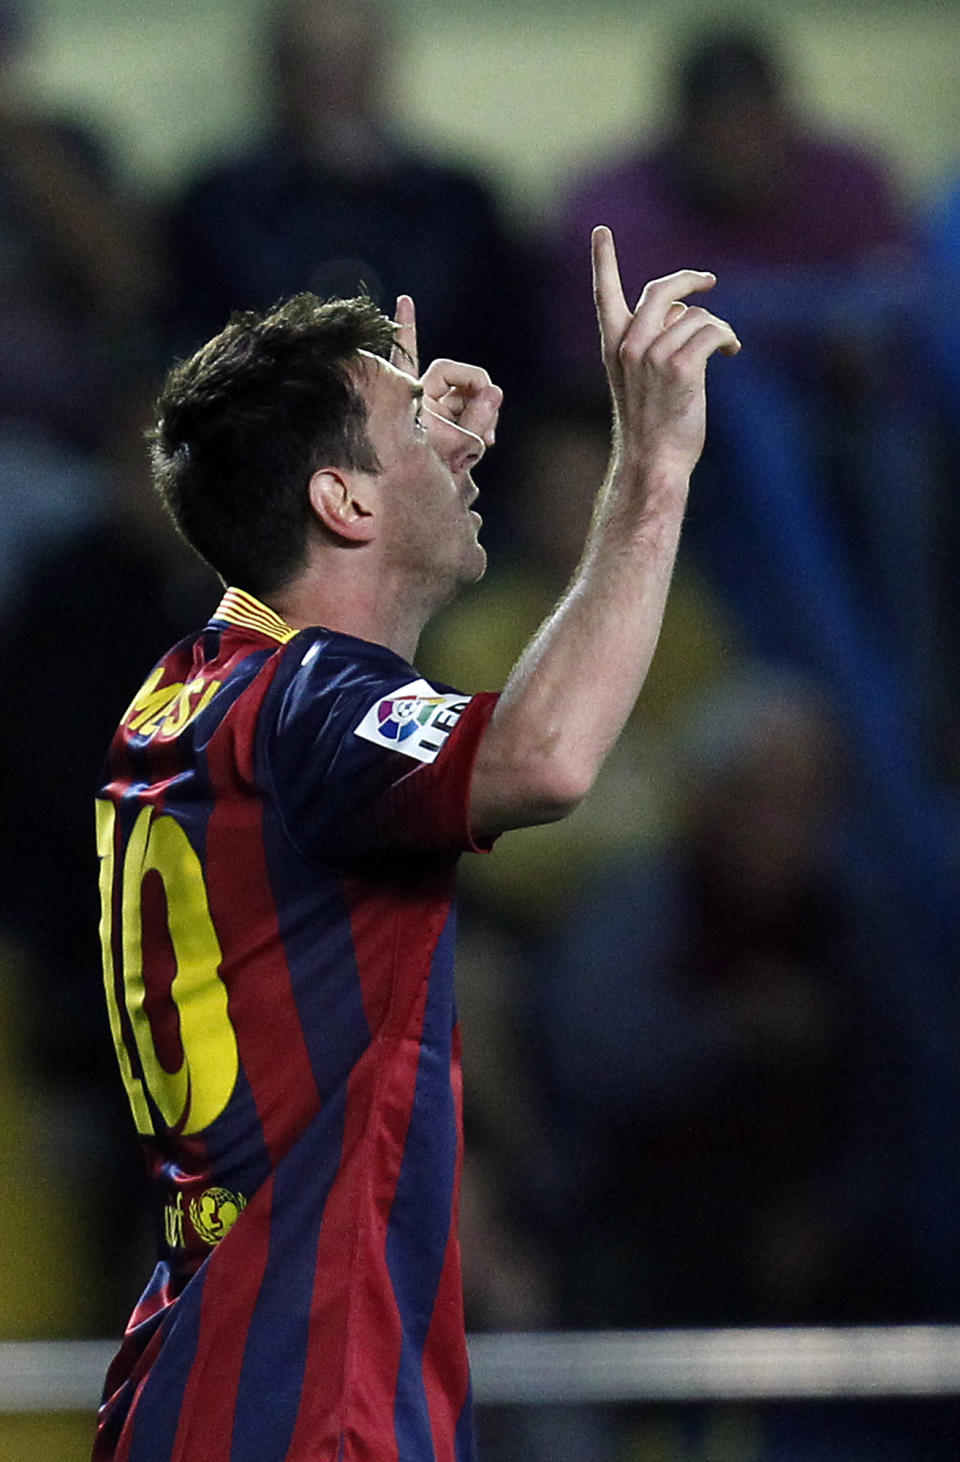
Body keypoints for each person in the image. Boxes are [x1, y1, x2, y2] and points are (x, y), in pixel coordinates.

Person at [92, 228, 739, 1461]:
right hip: (305, 1402)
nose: (459, 440)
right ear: (340, 500)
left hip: (193, 1385)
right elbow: (544, 757)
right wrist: (651, 469)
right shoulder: (309, 703)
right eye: (410, 427)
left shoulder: (187, 692)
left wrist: (408, 481)